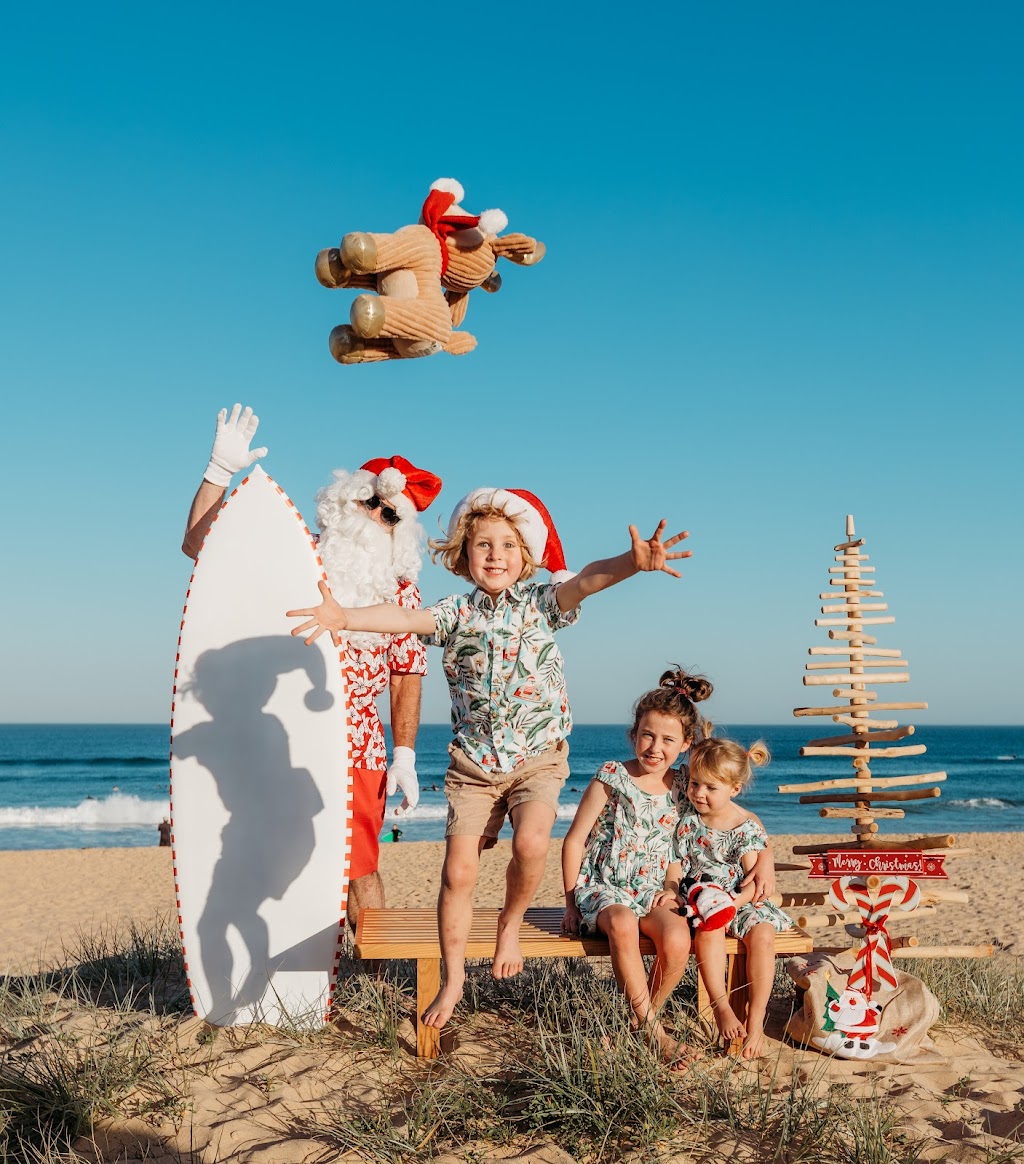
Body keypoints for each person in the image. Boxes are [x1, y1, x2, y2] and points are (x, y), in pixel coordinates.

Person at [288, 486, 692, 1031]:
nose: (495, 554)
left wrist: (631, 563)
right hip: (474, 767)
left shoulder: (541, 604)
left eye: (507, 544)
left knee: (530, 844)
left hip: (537, 760)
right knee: (458, 872)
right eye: (482, 544)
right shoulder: (455, 613)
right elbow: (399, 619)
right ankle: (454, 978)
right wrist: (344, 617)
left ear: (526, 556)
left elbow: (586, 580)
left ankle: (510, 924)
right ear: (463, 555)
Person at [182, 403, 442, 928]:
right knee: (271, 861)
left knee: (360, 866)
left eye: (390, 514)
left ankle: (372, 978)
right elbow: (199, 547)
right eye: (370, 501)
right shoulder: (296, 555)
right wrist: (218, 472)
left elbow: (406, 673)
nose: (376, 517)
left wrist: (407, 754)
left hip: (360, 745)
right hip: (280, 738)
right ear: (346, 498)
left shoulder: (402, 589)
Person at [559, 668, 711, 1065]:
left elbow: (678, 850)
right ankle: (656, 1035)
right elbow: (574, 839)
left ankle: (639, 1021)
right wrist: (571, 902)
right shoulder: (613, 776)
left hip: (652, 890)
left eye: (667, 739)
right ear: (634, 734)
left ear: (686, 744)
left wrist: (674, 887)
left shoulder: (683, 786)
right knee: (623, 923)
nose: (655, 747)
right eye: (647, 734)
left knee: (678, 939)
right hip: (603, 888)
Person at [676, 736, 794, 1060]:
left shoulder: (744, 827)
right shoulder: (686, 818)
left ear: (734, 789)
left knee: (763, 935)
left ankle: (756, 1018)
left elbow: (755, 884)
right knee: (709, 928)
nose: (699, 793)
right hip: (700, 897)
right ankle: (721, 1006)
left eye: (710, 788)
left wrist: (731, 904)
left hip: (739, 899)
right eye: (695, 783)